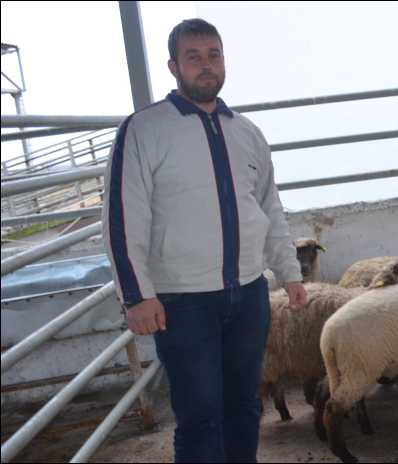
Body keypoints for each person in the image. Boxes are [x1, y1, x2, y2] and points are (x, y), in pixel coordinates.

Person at [101, 18, 308, 463]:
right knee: (199, 416)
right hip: (182, 300)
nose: (206, 65)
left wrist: (289, 273)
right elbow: (124, 216)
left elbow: (269, 207)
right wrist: (136, 296)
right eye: (193, 57)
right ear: (174, 66)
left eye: (214, 54)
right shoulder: (145, 129)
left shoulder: (247, 132)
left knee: (245, 407)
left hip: (249, 293)